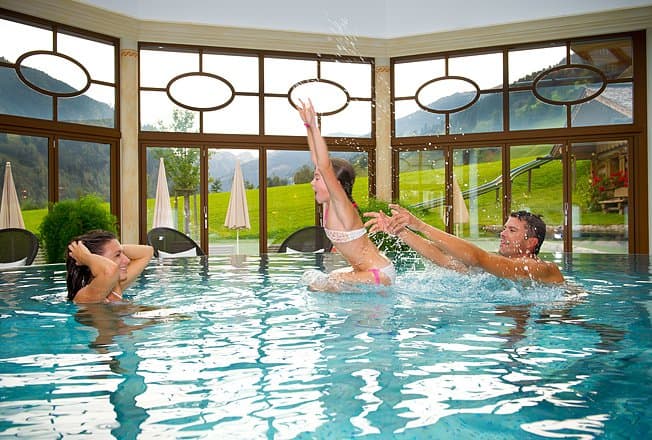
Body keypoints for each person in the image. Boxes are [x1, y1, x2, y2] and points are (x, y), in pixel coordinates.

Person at [297, 98, 395, 291]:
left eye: (317, 178)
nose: (311, 183)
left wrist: (314, 126)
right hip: (364, 271)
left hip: (378, 273)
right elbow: (318, 160)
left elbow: (324, 165)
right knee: (319, 280)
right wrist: (307, 126)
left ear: (336, 184)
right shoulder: (328, 204)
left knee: (321, 284)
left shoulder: (341, 205)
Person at [364, 205, 564, 284]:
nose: (502, 234)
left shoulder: (542, 268)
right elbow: (443, 258)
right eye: (504, 229)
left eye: (512, 230)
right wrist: (400, 231)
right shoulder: (497, 267)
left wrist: (420, 225)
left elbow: (477, 258)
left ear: (531, 243)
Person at [66, 230, 154, 303]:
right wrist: (86, 256)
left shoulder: (115, 286)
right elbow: (110, 271)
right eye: (117, 255)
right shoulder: (86, 296)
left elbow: (147, 252)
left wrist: (116, 248)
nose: (127, 260)